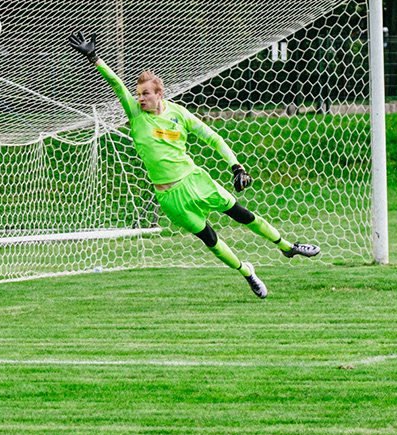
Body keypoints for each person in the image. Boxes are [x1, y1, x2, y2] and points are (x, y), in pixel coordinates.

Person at [67, 31, 319, 298]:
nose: (140, 98)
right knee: (210, 239)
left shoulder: (180, 114)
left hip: (195, 181)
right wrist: (94, 58)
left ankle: (287, 246)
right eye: (138, 94)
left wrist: (236, 166)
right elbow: (116, 84)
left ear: (159, 94)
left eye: (145, 94)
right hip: (168, 197)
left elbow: (213, 138)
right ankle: (247, 272)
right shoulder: (135, 113)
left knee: (240, 214)